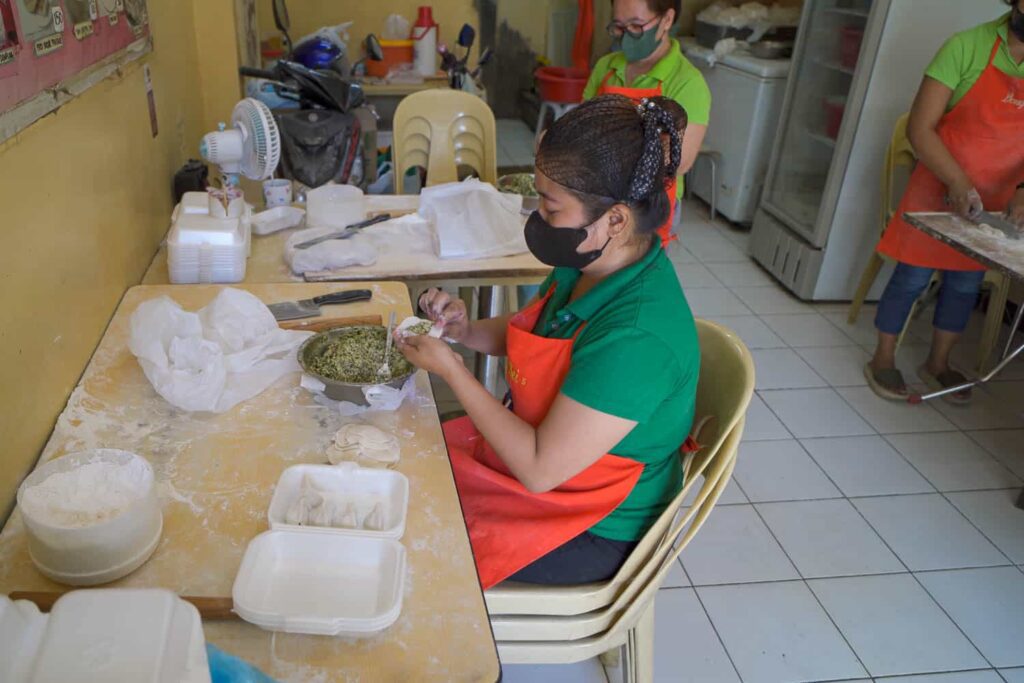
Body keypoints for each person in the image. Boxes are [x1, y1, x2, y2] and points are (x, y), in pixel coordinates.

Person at [397, 95, 699, 588]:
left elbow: (540, 469)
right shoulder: (590, 261)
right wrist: (465, 330)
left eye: (551, 206)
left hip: (590, 523)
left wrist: (452, 369)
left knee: (413, 542)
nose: (538, 216)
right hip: (546, 468)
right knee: (406, 464)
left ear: (616, 220)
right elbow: (535, 333)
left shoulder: (636, 339)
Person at [867, 0, 1024, 403]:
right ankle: (882, 357)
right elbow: (920, 128)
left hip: (994, 203)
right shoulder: (967, 46)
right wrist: (956, 180)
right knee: (913, 278)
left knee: (965, 283)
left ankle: (937, 363)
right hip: (938, 185)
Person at [583, 0, 711, 245]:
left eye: (637, 25)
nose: (627, 35)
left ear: (667, 20)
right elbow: (582, 127)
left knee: (635, 279)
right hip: (599, 195)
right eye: (619, 27)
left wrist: (606, 143)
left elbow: (679, 161)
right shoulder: (606, 66)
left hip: (649, 207)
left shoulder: (688, 83)